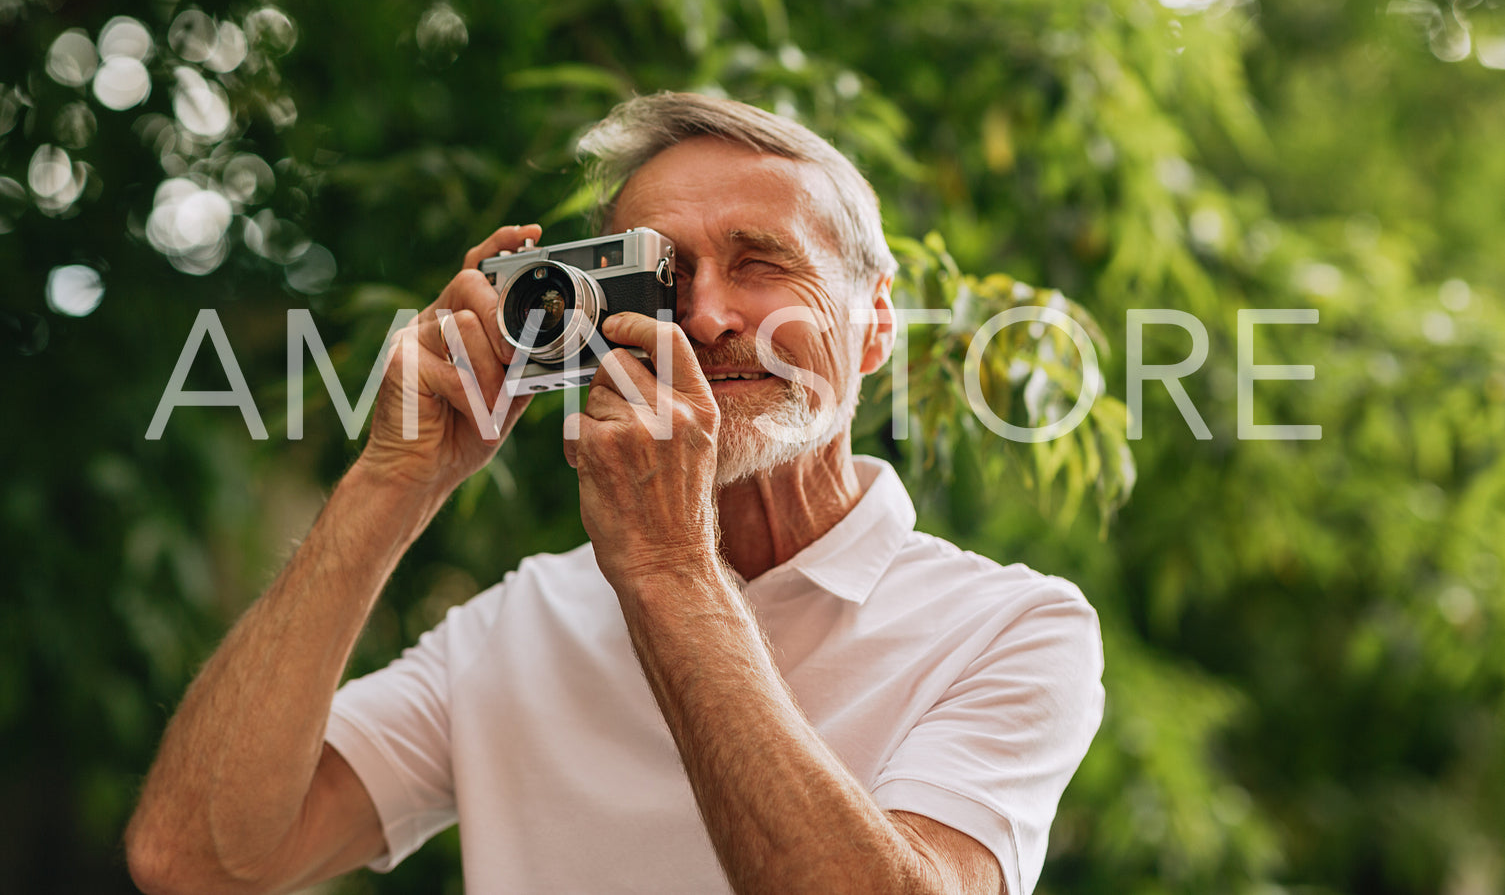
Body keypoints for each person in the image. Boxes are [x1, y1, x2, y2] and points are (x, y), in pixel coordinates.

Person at [125, 93, 1105, 895]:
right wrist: (392, 482)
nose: (711, 315)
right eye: (663, 280)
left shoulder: (1011, 626)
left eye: (760, 264)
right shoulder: (516, 623)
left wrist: (668, 568)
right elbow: (197, 861)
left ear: (874, 323)